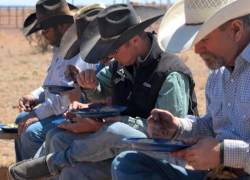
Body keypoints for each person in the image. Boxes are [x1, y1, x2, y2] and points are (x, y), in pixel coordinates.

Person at [111, 0, 250, 179]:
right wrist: (178, 127)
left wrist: (224, 153)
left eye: (204, 39)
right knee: (128, 163)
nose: (197, 49)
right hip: (223, 172)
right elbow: (215, 125)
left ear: (236, 30)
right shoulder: (219, 73)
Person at [8, 4, 198, 180]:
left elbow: (168, 132)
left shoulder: (170, 73)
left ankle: (52, 162)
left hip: (160, 158)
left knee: (114, 130)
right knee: (62, 144)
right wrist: (90, 85)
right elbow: (100, 89)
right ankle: (53, 165)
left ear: (134, 40)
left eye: (113, 49)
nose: (110, 56)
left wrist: (110, 124)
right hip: (121, 146)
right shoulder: (121, 65)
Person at [15, 0, 95, 161]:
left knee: (31, 132)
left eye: (46, 29)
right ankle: (23, 171)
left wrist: (38, 114)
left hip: (71, 113)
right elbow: (52, 85)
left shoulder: (81, 52)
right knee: (20, 120)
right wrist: (35, 95)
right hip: (57, 110)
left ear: (62, 26)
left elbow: (73, 96)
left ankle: (36, 172)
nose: (43, 33)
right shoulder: (59, 49)